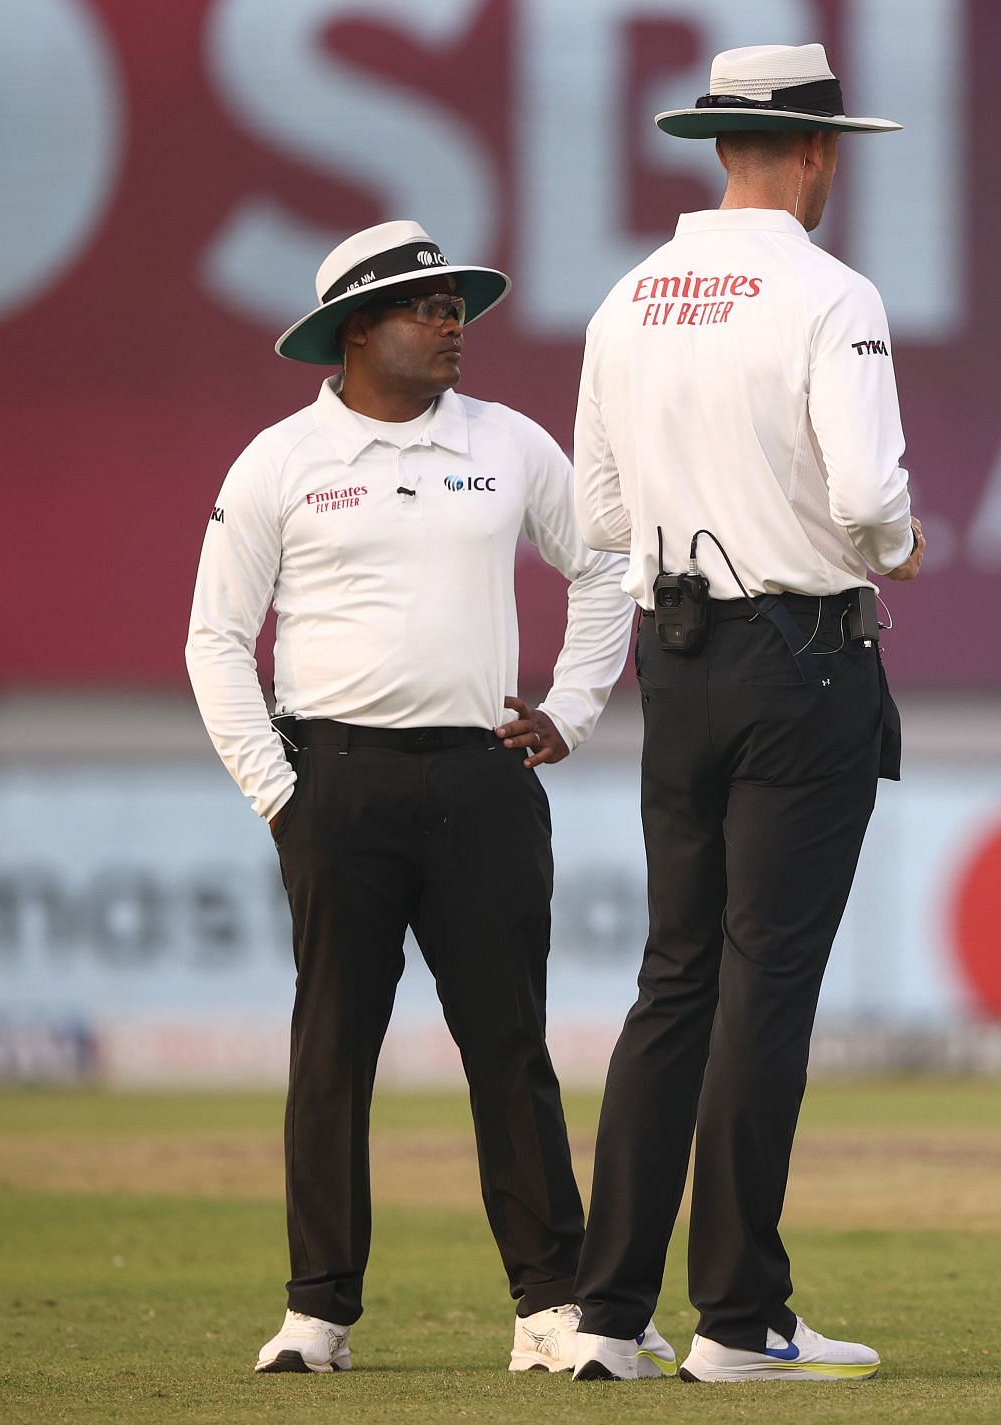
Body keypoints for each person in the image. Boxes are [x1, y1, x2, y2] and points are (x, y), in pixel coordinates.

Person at [185, 220, 636, 1375]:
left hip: (482, 778)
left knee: (508, 1045)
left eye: (458, 307)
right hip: (332, 782)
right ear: (355, 330)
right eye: (426, 308)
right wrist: (279, 794)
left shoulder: (509, 443)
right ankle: (318, 1314)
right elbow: (216, 639)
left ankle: (550, 1306)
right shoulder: (278, 461)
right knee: (333, 1049)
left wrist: (574, 709)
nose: (453, 326)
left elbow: (601, 563)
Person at [565, 43, 921, 1385]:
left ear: (723, 146)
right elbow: (875, 502)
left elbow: (599, 515)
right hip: (800, 655)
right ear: (820, 153)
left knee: (675, 977)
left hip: (680, 650)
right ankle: (737, 1318)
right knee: (766, 984)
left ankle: (608, 1313)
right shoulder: (833, 294)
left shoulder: (630, 296)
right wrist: (893, 544)